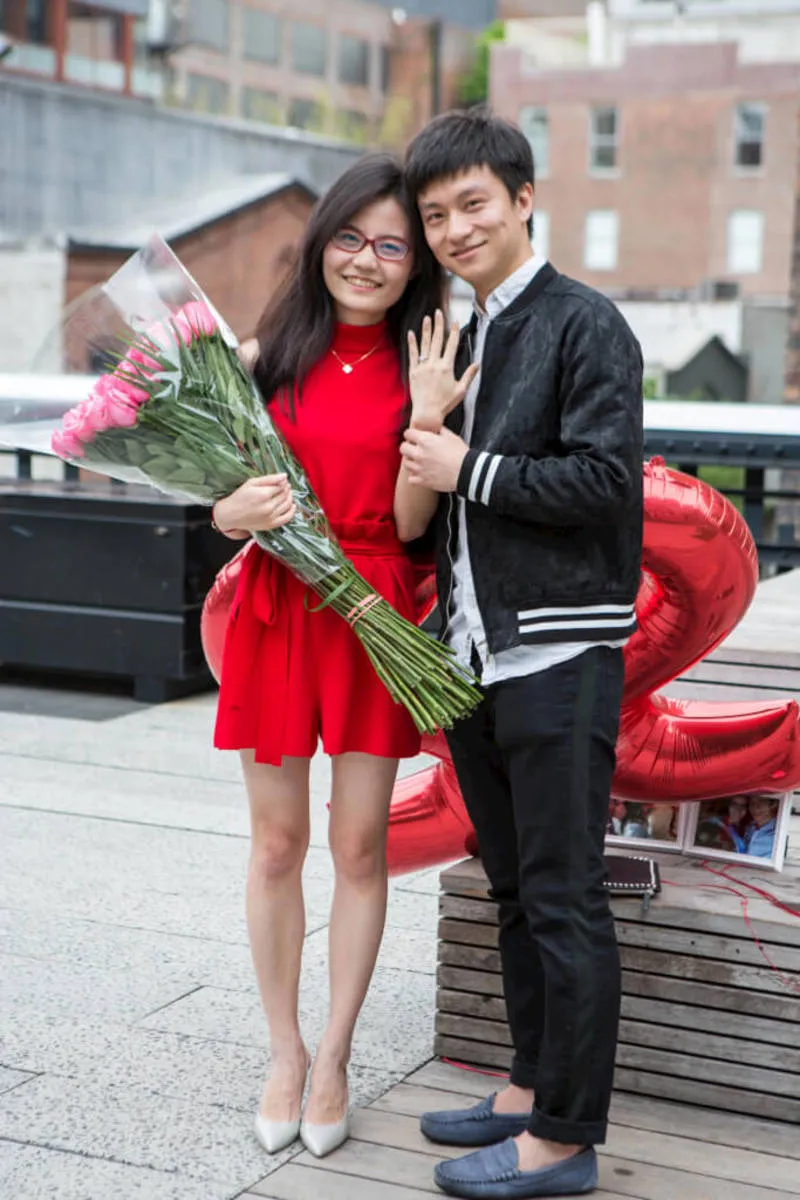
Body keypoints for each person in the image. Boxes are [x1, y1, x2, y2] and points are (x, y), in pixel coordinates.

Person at [395, 107, 644, 1199]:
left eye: (472, 205)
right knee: (507, 888)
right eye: (434, 214)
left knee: (562, 896)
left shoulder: (586, 323)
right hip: (473, 657)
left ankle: (563, 1140)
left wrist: (467, 467)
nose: (452, 229)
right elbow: (435, 501)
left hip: (557, 656)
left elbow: (604, 487)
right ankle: (525, 1086)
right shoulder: (470, 333)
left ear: (523, 198)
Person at [211, 153, 446, 1160]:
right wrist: (235, 511)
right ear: (322, 244)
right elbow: (220, 505)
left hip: (369, 608)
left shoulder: (421, 360)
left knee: (358, 847)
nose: (367, 258)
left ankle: (338, 1055)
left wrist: (430, 419)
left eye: (391, 244)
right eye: (350, 236)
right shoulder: (265, 354)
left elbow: (403, 524)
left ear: (413, 262)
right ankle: (282, 1050)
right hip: (278, 606)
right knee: (275, 846)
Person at [743, 794, 779, 859]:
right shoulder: (749, 827)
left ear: (773, 805)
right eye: (752, 802)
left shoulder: (778, 831)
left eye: (761, 801)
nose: (755, 807)